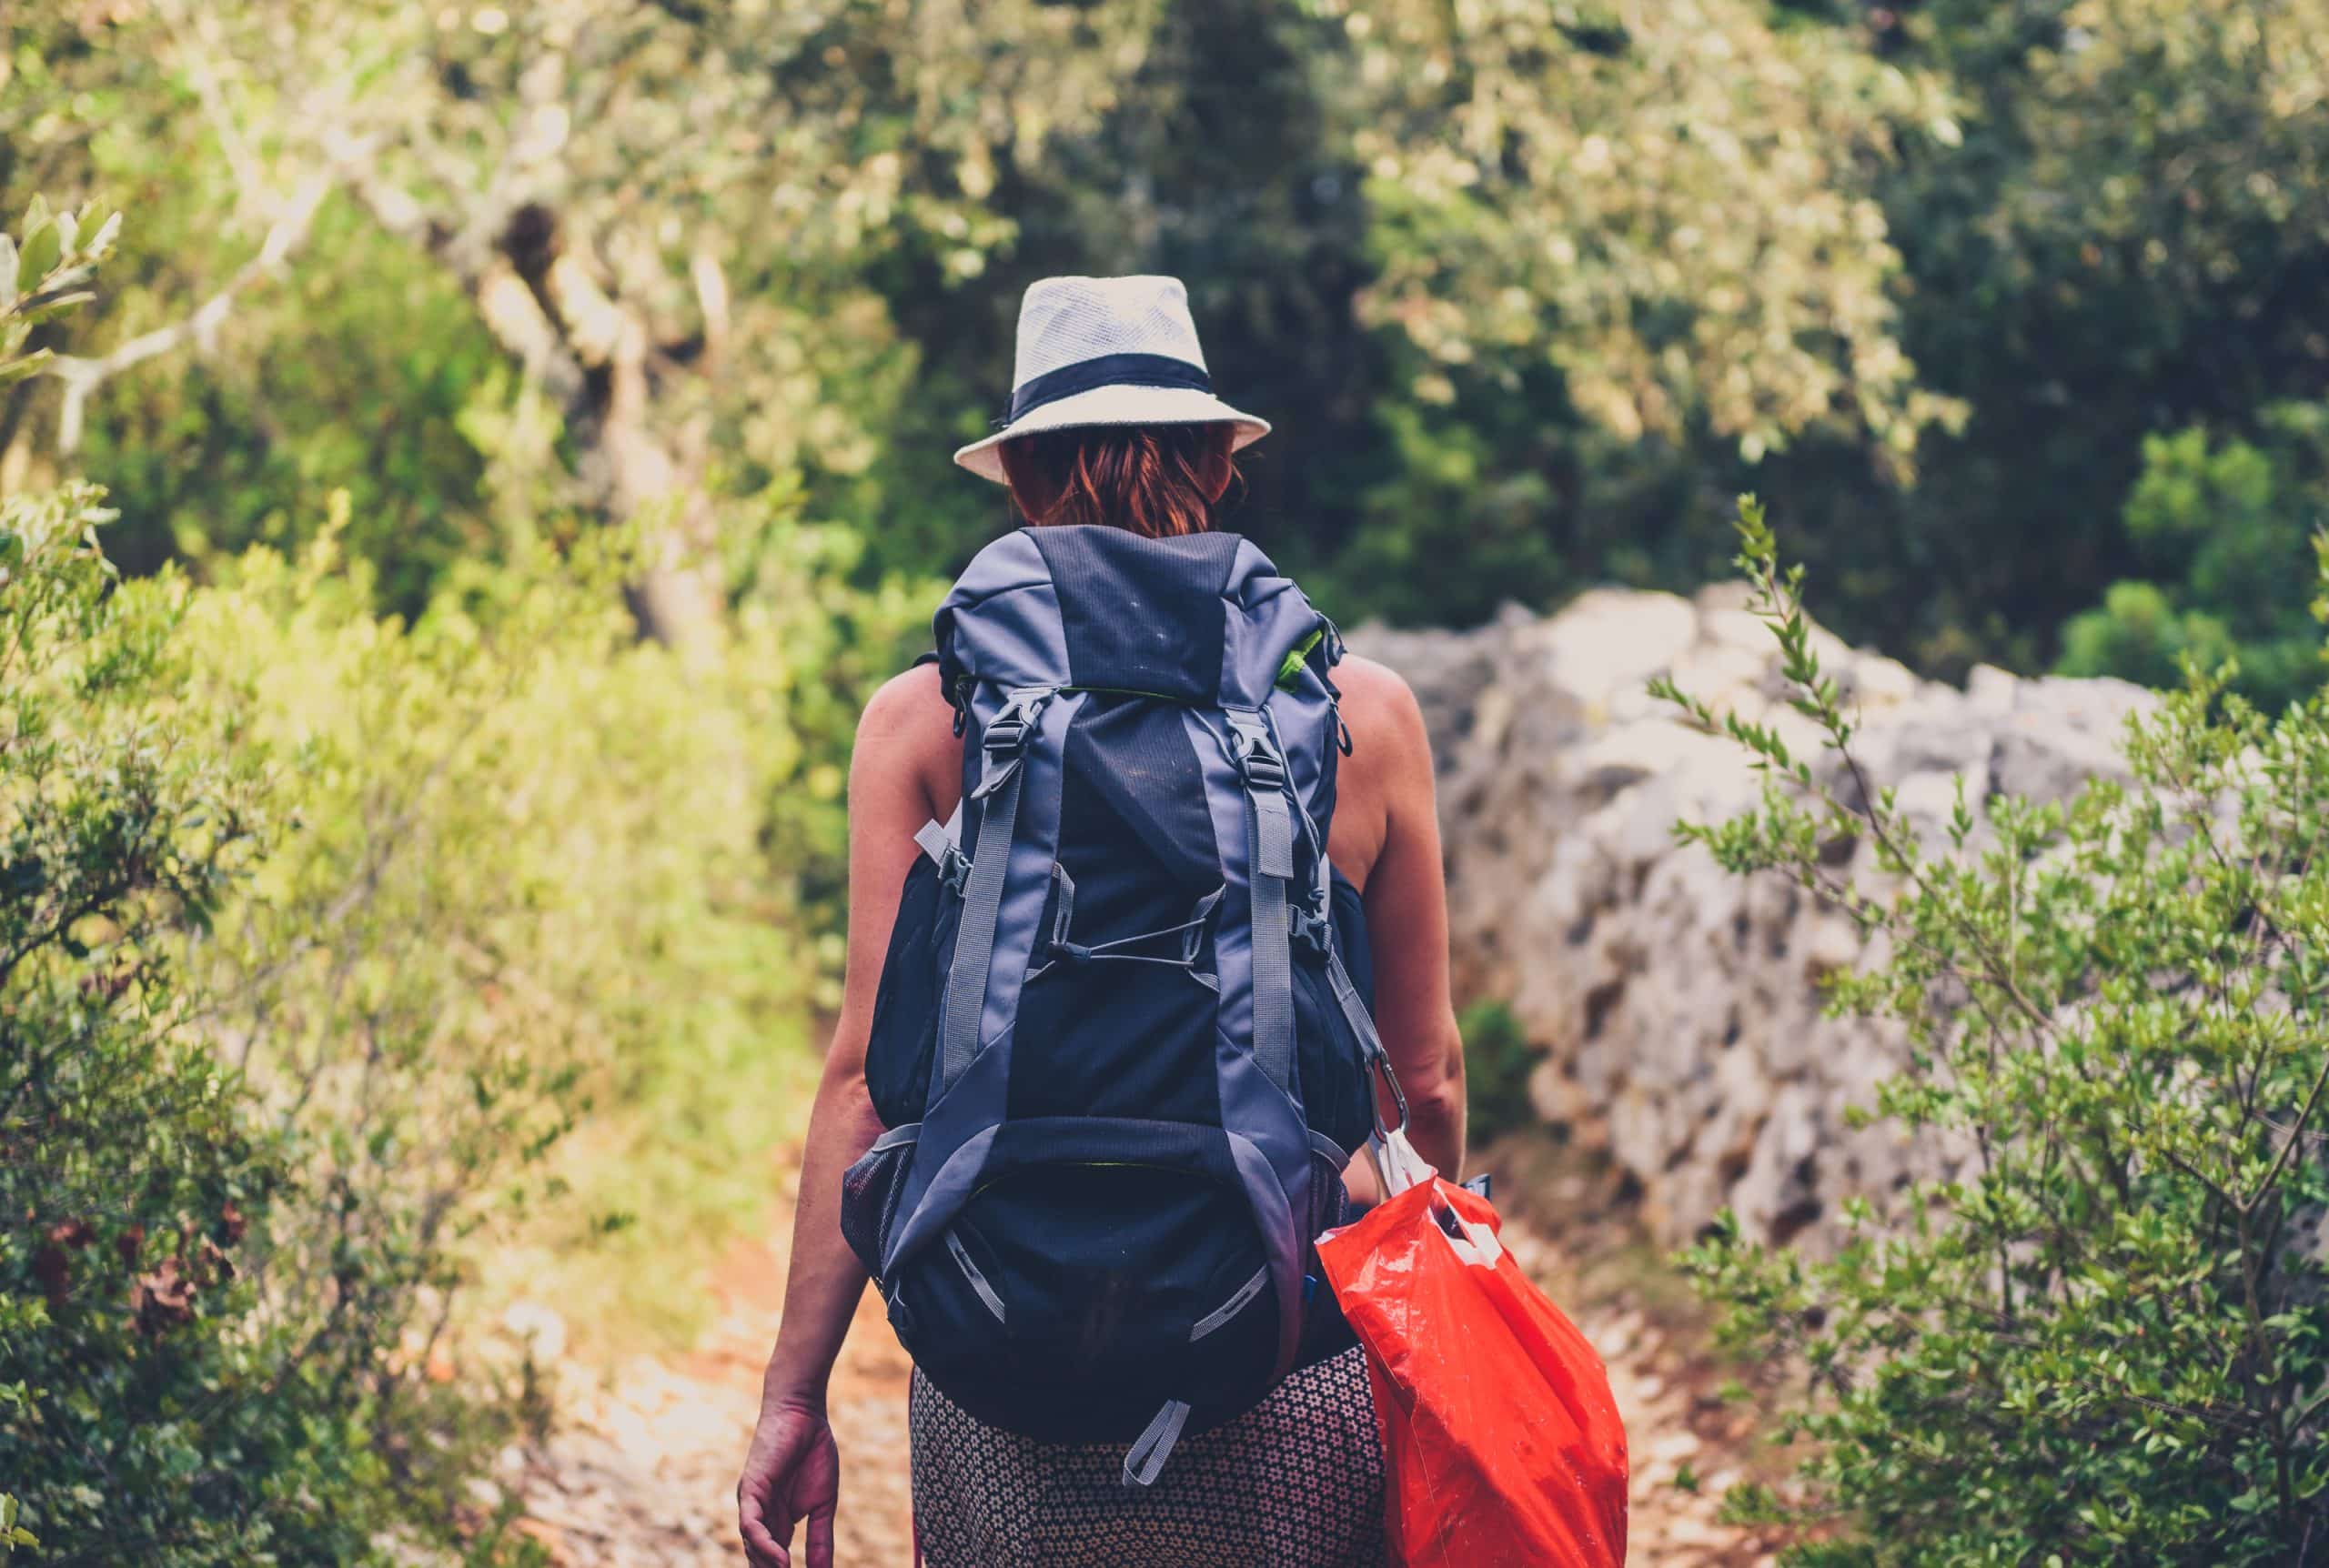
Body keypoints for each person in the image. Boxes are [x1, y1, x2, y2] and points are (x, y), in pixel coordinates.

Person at [736, 276, 1467, 1568]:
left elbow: (863, 1081)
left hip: (1000, 1350)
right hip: (1284, 1340)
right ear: (1214, 464)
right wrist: (1433, 1338)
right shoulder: (1367, 717)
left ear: (1019, 481)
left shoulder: (920, 723)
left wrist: (794, 1397)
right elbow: (1426, 1085)